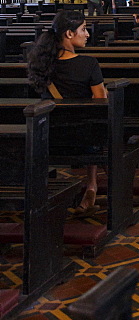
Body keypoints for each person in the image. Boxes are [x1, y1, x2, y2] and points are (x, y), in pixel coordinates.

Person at [27, 12, 108, 211]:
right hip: (85, 142)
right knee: (94, 125)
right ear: (69, 34)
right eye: (83, 29)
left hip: (49, 140)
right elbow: (101, 104)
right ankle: (92, 184)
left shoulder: (41, 65)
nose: (87, 34)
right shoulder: (89, 64)